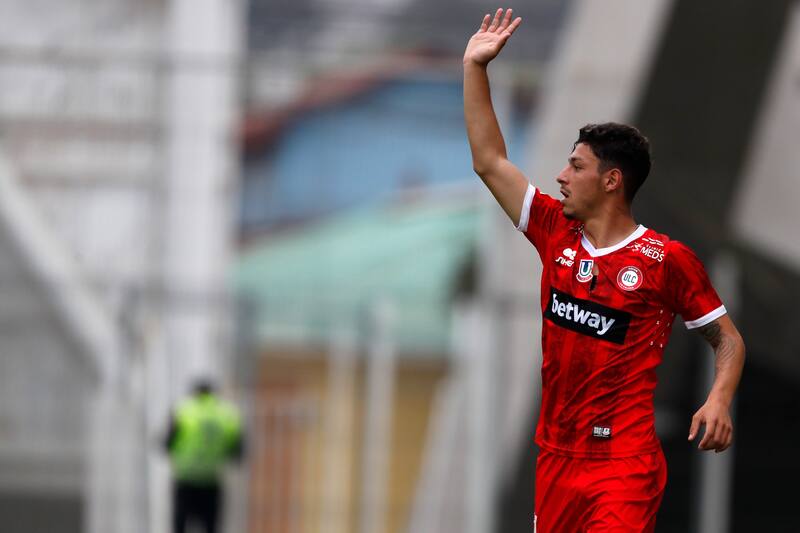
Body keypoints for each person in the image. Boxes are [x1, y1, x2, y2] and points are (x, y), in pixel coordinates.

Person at [463, 8, 745, 532]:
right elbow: (488, 161)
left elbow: (727, 339)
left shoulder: (666, 261)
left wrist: (719, 399)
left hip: (623, 464)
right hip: (555, 457)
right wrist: (475, 68)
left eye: (576, 166)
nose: (561, 176)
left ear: (612, 180)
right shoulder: (553, 231)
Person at [164, 379, 244, 533]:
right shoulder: (227, 414)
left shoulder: (183, 410)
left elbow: (168, 444)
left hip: (185, 479)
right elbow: (237, 451)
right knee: (211, 526)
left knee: (180, 525)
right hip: (212, 480)